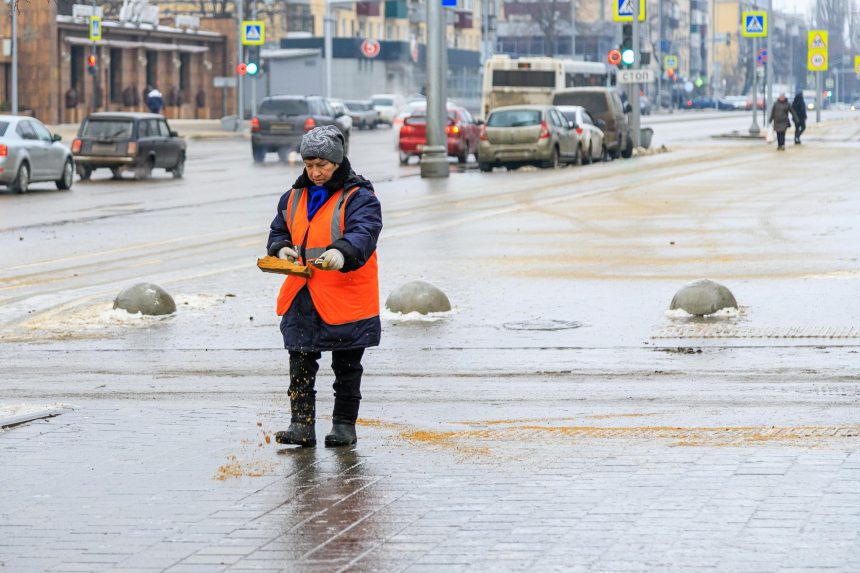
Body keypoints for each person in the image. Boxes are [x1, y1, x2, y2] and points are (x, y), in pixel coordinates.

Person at [266, 125, 382, 448]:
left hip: (345, 296)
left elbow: (365, 232)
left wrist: (342, 251)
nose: (315, 172)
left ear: (337, 162)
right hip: (302, 294)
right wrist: (280, 248)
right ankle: (301, 425)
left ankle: (344, 426)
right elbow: (279, 231)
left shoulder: (360, 197)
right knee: (300, 360)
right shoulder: (292, 198)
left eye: (322, 165)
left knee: (346, 367)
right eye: (309, 165)